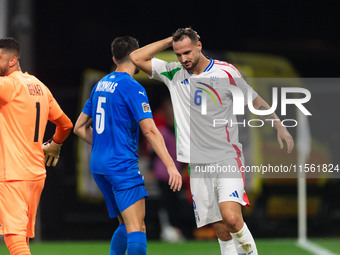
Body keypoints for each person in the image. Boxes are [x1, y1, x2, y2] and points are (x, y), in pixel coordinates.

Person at [130, 28, 294, 255]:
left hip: (226, 158)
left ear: (199, 45)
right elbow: (136, 58)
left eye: (187, 52)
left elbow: (254, 101)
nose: (183, 59)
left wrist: (279, 125)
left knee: (232, 219)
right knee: (220, 229)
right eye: (178, 54)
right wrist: (170, 40)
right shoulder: (173, 72)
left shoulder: (225, 72)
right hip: (197, 165)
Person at [74, 36, 182, 255]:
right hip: (121, 165)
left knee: (125, 225)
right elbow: (150, 130)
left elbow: (79, 128)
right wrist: (171, 165)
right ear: (137, 56)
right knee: (137, 228)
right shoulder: (133, 87)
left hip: (99, 165)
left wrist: (105, 143)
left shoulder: (101, 84)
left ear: (114, 58)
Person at [0, 38, 73, 255]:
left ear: (13, 60)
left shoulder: (9, 85)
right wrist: (54, 144)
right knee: (20, 237)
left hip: (13, 174)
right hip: (35, 174)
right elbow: (66, 124)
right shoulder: (38, 86)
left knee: (15, 242)